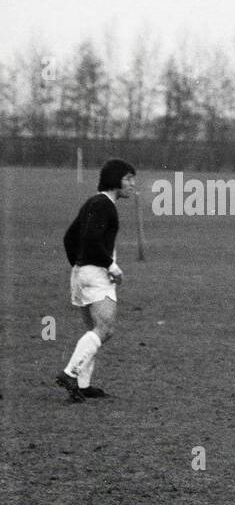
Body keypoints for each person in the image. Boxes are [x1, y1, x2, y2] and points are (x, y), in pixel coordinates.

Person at [57, 159, 136, 402]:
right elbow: (92, 239)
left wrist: (79, 265)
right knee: (105, 329)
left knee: (94, 330)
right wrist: (110, 266)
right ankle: (71, 373)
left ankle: (82, 385)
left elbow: (69, 238)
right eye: (128, 179)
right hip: (96, 275)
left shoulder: (93, 202)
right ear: (115, 180)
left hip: (82, 274)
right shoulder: (105, 205)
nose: (133, 184)